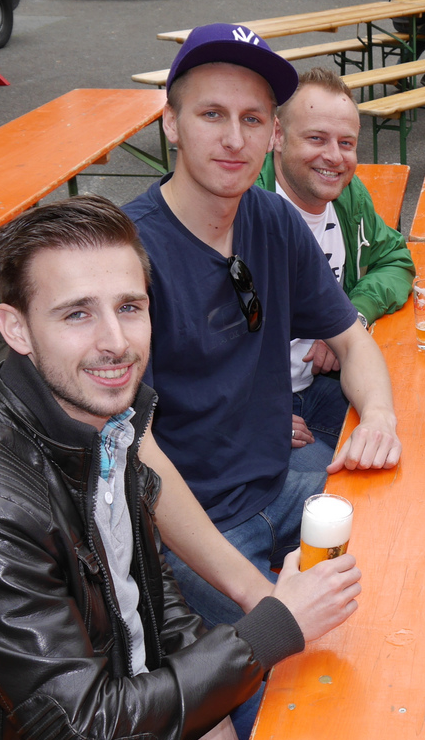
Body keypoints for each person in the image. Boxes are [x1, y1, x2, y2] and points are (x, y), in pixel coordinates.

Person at [0, 196, 363, 740]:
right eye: (76, 314)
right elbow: (87, 736)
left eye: (130, 307)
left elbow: (146, 585)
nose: (115, 342)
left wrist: (205, 710)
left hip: (140, 717)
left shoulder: (105, 424)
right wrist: (271, 627)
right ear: (16, 328)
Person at [123, 24, 402, 628]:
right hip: (191, 530)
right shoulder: (126, 254)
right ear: (171, 123)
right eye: (212, 114)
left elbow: (351, 338)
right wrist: (263, 598)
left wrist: (379, 417)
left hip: (282, 487)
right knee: (290, 665)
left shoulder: (273, 219)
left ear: (272, 133)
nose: (234, 138)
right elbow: (129, 445)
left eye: (252, 119)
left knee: (408, 558)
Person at [255, 67, 416, 449]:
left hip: (320, 385)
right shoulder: (244, 205)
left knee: (420, 431)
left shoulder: (347, 194)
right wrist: (250, 414)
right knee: (338, 482)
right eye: (316, 138)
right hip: (261, 406)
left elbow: (395, 259)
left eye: (346, 143)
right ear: (277, 135)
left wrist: (348, 317)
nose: (334, 157)